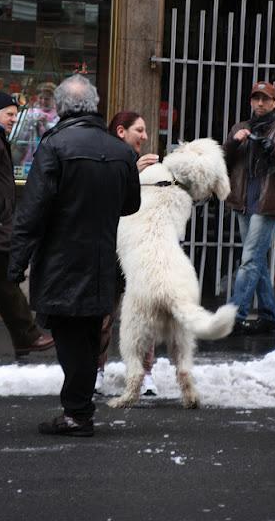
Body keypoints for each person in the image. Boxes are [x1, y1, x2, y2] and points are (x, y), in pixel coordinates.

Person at [8, 75, 141, 437]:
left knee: (69, 339)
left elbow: (32, 211)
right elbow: (131, 204)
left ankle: (78, 413)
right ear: (94, 106)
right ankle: (79, 409)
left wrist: (16, 262)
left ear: (62, 108)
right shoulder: (122, 151)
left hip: (62, 261)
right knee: (85, 335)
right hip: (101, 258)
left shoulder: (54, 146)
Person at [224, 81, 275, 335]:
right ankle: (270, 315)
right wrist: (233, 143)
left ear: (274, 103)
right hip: (243, 202)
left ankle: (234, 317)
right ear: (250, 101)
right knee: (255, 259)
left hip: (266, 204)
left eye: (265, 99)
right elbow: (222, 162)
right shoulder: (240, 128)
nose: (260, 103)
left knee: (249, 260)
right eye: (256, 98)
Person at [0, 89, 54, 358]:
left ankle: (26, 337)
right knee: (4, 280)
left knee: (3, 280)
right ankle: (27, 336)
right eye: (9, 114)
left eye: (15, 114)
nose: (13, 119)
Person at [96, 111, 159, 396]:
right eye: (140, 130)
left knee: (144, 315)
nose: (145, 137)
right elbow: (107, 199)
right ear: (121, 132)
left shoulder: (148, 164)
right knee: (102, 315)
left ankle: (145, 374)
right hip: (109, 248)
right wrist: (135, 174)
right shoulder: (105, 159)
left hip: (139, 251)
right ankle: (95, 370)